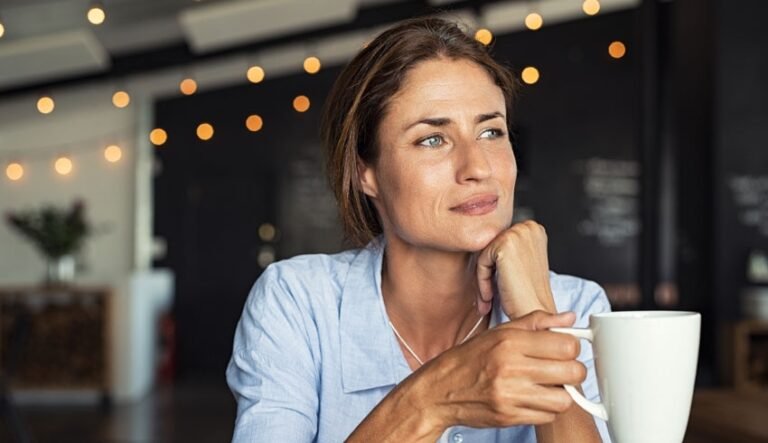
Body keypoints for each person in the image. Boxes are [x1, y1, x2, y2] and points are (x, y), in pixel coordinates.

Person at [227, 16, 611, 443]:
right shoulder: (298, 303)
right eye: (433, 139)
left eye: (491, 131)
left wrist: (539, 317)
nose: (478, 168)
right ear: (364, 172)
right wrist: (433, 399)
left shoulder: (579, 307)